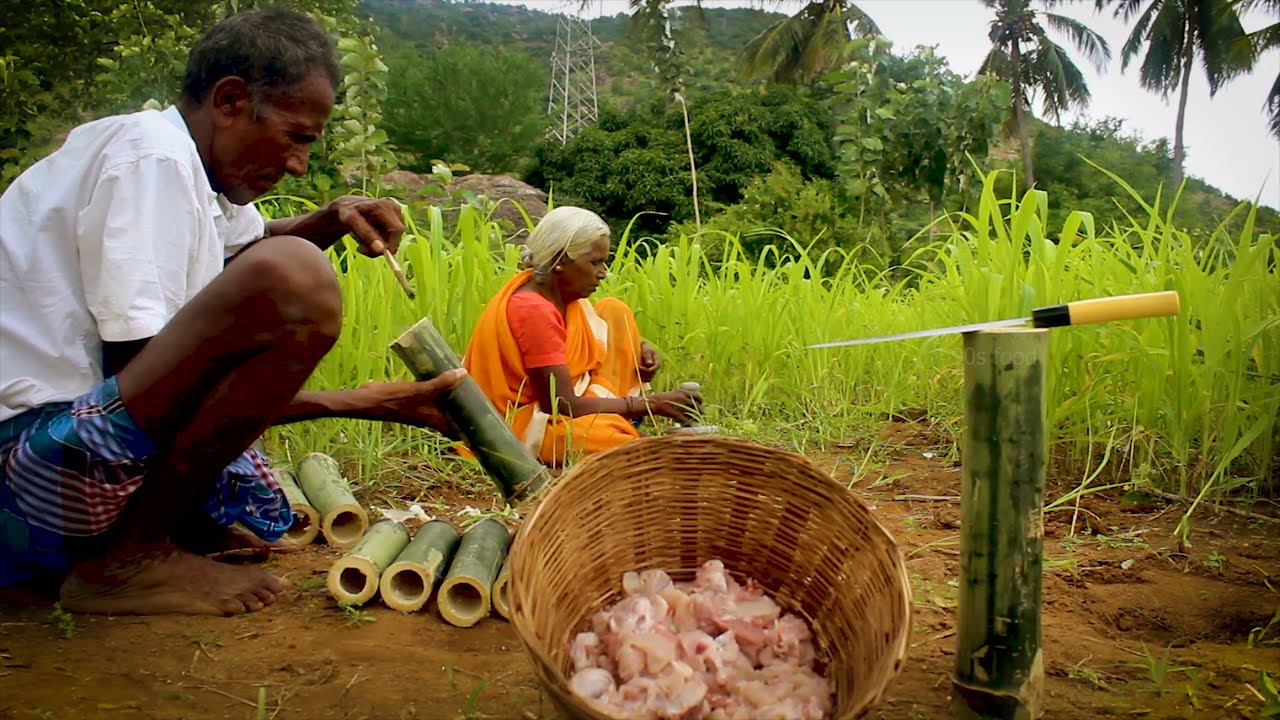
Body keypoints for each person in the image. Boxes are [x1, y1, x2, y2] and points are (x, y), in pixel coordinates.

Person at [0, 7, 465, 616]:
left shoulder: (186, 168)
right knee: (297, 277)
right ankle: (125, 558)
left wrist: (327, 220)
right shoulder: (154, 160)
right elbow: (161, 385)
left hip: (64, 449)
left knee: (258, 506)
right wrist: (362, 402)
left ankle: (142, 536)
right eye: (295, 136)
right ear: (229, 101)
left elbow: (238, 249)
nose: (299, 163)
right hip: (24, 463)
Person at [462, 206, 702, 467]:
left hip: (573, 395)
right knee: (614, 441)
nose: (603, 272)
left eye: (604, 262)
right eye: (595, 262)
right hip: (525, 422)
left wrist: (639, 347)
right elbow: (562, 405)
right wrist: (650, 403)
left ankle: (620, 420)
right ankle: (626, 431)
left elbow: (591, 333)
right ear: (560, 262)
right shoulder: (533, 311)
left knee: (614, 310)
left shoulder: (561, 296)